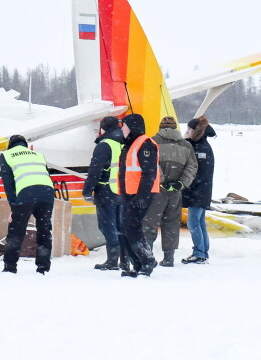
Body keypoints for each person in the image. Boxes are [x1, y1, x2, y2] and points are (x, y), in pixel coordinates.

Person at [142, 116, 197, 267]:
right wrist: (180, 184)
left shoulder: (152, 142)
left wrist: (163, 181)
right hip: (176, 192)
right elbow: (192, 167)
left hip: (156, 190)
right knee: (172, 223)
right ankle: (169, 258)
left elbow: (151, 164)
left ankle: (148, 256)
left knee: (150, 223)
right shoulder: (186, 146)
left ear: (160, 127)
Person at [0, 135, 54, 274]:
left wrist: (13, 207)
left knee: (16, 231)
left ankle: (10, 267)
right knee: (44, 231)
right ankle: (43, 268)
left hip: (26, 193)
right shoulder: (38, 155)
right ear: (25, 145)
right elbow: (46, 174)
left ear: (10, 145)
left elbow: (9, 184)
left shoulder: (7, 155)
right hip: (47, 192)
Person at [119, 114, 160, 277]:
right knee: (125, 228)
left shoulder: (145, 143)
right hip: (129, 194)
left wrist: (142, 196)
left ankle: (147, 260)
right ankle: (138, 264)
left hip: (140, 194)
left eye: (124, 126)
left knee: (132, 228)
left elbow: (149, 172)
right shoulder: (130, 144)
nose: (122, 129)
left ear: (133, 126)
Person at [82, 116, 125, 271]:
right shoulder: (124, 142)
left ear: (103, 129)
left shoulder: (104, 145)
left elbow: (95, 170)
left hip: (106, 190)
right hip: (122, 190)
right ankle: (124, 260)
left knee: (107, 225)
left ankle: (112, 260)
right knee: (120, 226)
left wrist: (88, 190)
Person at [182, 116, 216, 264]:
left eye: (189, 130)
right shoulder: (197, 145)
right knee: (199, 222)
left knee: (193, 223)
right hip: (200, 191)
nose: (187, 132)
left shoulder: (201, 149)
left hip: (199, 192)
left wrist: (187, 184)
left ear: (196, 131)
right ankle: (203, 251)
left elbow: (201, 173)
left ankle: (199, 253)